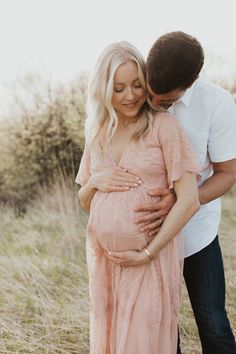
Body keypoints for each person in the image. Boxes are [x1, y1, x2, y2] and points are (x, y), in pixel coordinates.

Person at [75, 41, 200, 353]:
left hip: (149, 261)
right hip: (107, 265)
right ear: (103, 90)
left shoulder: (163, 126)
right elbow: (85, 201)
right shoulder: (98, 132)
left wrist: (147, 253)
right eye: (118, 88)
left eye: (136, 85)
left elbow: (189, 200)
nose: (129, 96)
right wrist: (95, 182)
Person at [134, 31, 236, 353]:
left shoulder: (217, 105)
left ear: (190, 85)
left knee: (214, 324)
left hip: (197, 233)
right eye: (149, 95)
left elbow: (227, 173)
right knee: (161, 329)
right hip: (147, 234)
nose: (151, 106)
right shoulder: (132, 90)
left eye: (163, 102)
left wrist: (183, 200)